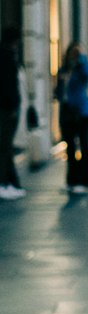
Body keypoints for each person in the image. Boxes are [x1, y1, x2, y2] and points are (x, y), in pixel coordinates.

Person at [56, 43, 88, 194]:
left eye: (76, 54)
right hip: (67, 112)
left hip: (82, 112)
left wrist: (82, 58)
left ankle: (85, 182)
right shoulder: (64, 71)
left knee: (84, 146)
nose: (73, 57)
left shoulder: (82, 69)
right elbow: (59, 92)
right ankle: (72, 180)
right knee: (70, 147)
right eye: (72, 54)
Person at [0, 25, 25, 200]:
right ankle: (4, 183)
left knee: (6, 146)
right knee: (5, 146)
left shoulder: (7, 56)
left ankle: (11, 182)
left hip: (6, 108)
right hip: (6, 109)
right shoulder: (7, 58)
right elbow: (8, 86)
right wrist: (12, 107)